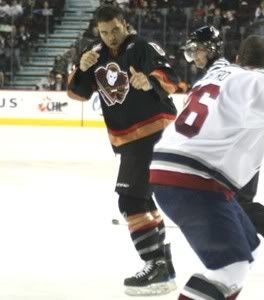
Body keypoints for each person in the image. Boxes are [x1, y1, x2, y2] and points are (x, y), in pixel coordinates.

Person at [149, 35, 264, 299]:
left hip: (170, 169)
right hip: (196, 178)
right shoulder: (261, 80)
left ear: (238, 59)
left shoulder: (215, 74)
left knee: (247, 245)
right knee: (230, 269)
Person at [66, 4, 179, 296]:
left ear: (124, 24)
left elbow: (171, 79)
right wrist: (82, 68)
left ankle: (155, 266)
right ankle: (163, 262)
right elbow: (77, 94)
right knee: (143, 200)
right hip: (129, 139)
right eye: (104, 32)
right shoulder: (96, 54)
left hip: (154, 132)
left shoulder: (142, 46)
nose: (111, 37)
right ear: (98, 31)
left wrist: (150, 80)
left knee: (129, 200)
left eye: (115, 29)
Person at [182, 25, 264, 280]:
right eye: (192, 51)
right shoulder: (224, 74)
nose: (194, 56)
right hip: (239, 153)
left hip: (239, 154)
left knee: (235, 201)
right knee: (234, 202)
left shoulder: (228, 74)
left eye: (198, 50)